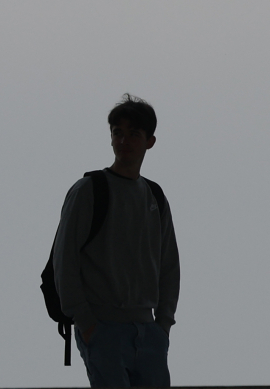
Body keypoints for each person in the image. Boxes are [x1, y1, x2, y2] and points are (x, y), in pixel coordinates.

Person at [51, 94, 180, 388]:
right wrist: (86, 323)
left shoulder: (154, 197)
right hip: (102, 326)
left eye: (134, 134)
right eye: (118, 133)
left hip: (148, 330)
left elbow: (169, 265)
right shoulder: (88, 190)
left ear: (150, 141)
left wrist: (162, 326)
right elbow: (65, 260)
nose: (124, 141)